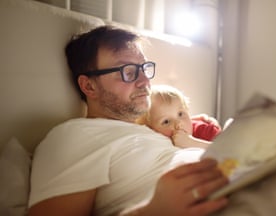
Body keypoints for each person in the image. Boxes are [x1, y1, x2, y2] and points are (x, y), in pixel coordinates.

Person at [27, 25, 229, 216]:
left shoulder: (156, 130)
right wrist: (152, 211)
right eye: (128, 72)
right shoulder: (73, 137)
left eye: (144, 68)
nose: (144, 81)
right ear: (89, 87)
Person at [136, 84, 221, 149]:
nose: (178, 124)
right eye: (166, 121)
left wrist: (191, 142)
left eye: (180, 114)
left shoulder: (206, 130)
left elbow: (229, 152)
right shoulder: (155, 145)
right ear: (151, 130)